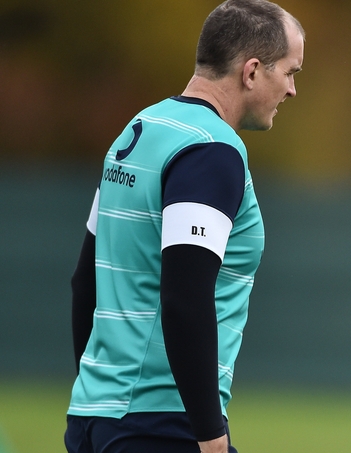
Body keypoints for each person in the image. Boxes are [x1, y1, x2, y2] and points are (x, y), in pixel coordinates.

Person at [64, 1, 304, 452]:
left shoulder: (137, 132)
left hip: (95, 418)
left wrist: (98, 394)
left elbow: (85, 281)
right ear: (251, 72)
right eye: (290, 72)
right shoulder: (211, 150)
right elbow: (185, 297)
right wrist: (210, 434)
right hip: (160, 425)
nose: (292, 90)